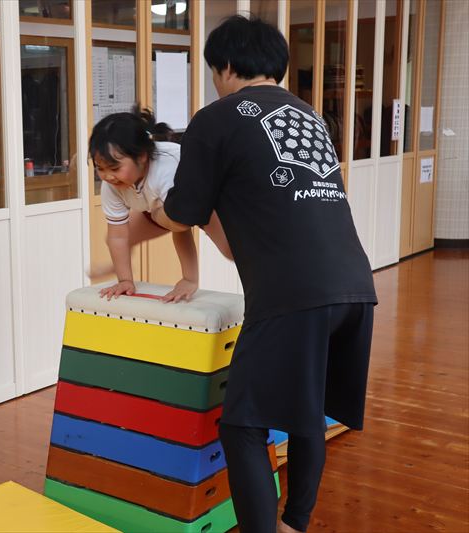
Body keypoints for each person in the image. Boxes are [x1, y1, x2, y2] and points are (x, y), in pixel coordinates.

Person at [150, 15, 377, 533]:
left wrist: (152, 210)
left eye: (214, 71)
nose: (215, 81)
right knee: (308, 412)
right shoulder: (310, 114)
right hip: (355, 286)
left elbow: (184, 210)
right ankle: (294, 523)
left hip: (292, 292)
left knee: (241, 426)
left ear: (227, 65)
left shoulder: (216, 118)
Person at [90, 107, 198, 303]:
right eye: (100, 168)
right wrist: (125, 280)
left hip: (206, 200)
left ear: (141, 156)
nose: (108, 176)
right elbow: (118, 235)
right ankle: (121, 267)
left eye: (114, 168)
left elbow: (181, 228)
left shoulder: (165, 171)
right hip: (159, 209)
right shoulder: (111, 185)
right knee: (117, 238)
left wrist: (189, 279)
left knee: (228, 249)